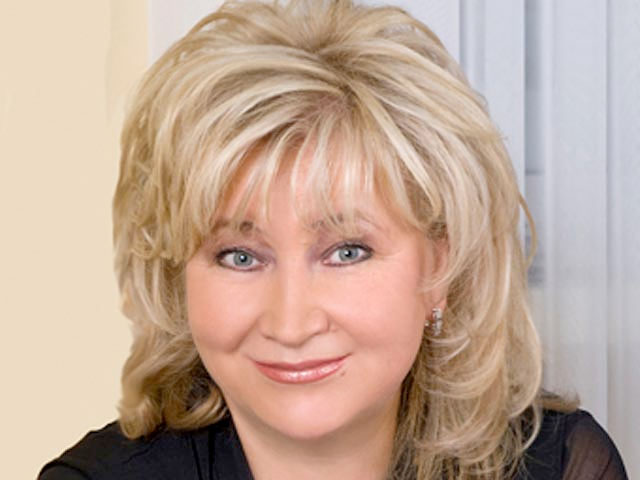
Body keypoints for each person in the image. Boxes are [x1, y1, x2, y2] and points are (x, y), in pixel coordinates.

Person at [39, 1, 628, 479]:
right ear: (177, 276)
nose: (291, 324)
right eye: (239, 256)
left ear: (439, 269)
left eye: (347, 252)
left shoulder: (559, 466)